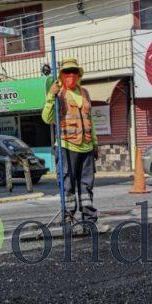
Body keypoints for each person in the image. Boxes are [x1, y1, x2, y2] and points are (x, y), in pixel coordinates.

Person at [42, 58, 98, 225]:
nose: (71, 75)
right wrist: (51, 96)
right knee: (68, 185)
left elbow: (90, 120)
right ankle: (68, 217)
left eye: (74, 71)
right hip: (67, 146)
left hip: (86, 147)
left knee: (86, 186)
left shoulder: (85, 93)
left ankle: (89, 218)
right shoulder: (59, 94)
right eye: (67, 72)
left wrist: (95, 143)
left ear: (78, 74)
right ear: (61, 75)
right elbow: (46, 118)